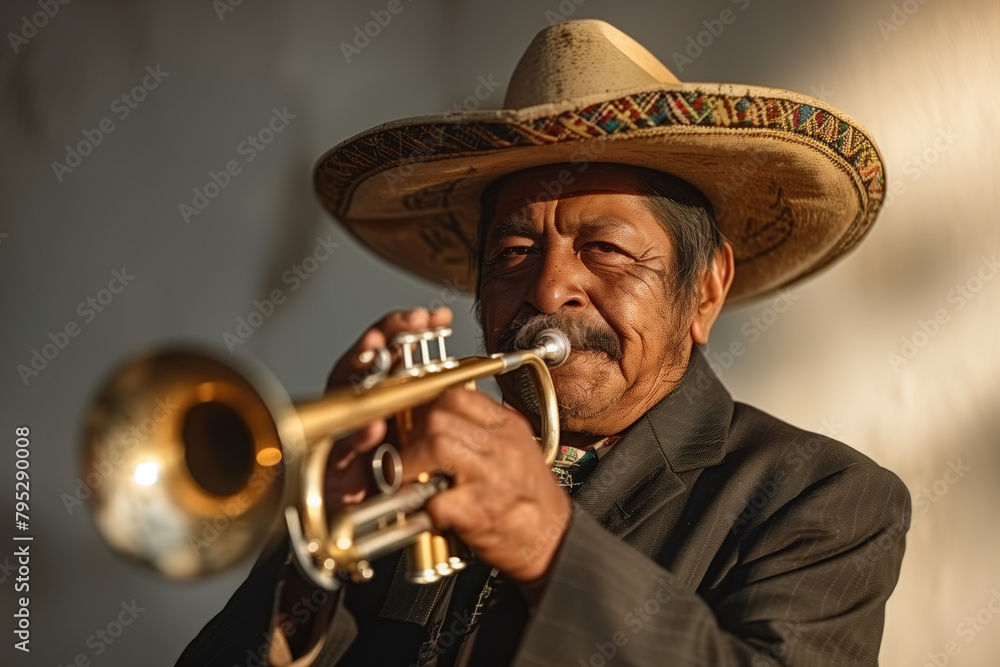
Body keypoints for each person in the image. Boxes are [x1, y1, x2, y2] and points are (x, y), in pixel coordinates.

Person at [177, 19, 909, 667]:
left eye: (607, 250)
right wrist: (311, 565)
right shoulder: (394, 478)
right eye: (515, 250)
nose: (548, 288)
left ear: (707, 289)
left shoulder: (822, 497)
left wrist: (544, 542)